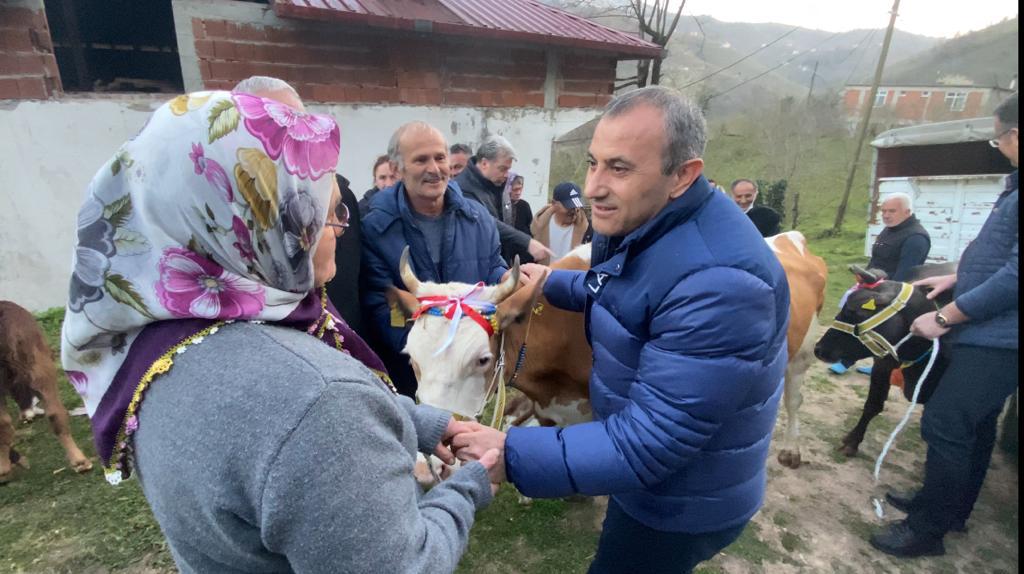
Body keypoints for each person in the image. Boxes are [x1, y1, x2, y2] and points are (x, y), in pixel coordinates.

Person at [61, 88, 502, 573]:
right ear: (258, 221)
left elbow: (267, 435)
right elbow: (405, 564)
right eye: (325, 209)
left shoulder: (158, 342)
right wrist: (469, 486)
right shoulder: (319, 402)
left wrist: (425, 422)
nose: (339, 226)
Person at [452, 86, 790, 573]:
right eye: (594, 163)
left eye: (620, 167)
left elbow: (652, 440)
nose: (592, 187)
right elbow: (621, 289)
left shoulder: (721, 283)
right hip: (646, 482)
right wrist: (549, 282)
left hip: (678, 503)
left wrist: (514, 453)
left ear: (683, 175)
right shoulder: (650, 224)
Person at [870, 93, 1019, 559]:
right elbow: (1002, 258)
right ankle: (951, 509)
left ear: (1015, 135)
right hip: (992, 329)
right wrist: (958, 276)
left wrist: (946, 315)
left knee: (947, 421)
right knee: (975, 426)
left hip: (1001, 337)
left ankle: (926, 530)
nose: (1000, 148)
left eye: (998, 140)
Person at [361, 122, 509, 398]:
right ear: (397, 169)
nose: (434, 169)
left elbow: (491, 268)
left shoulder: (477, 218)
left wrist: (504, 277)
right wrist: (439, 355)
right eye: (421, 160)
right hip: (409, 384)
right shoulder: (376, 228)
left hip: (471, 378)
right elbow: (383, 309)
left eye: (440, 157)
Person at [830, 192, 931, 375]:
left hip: (889, 296)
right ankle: (847, 358)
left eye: (892, 211)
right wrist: (864, 275)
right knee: (852, 323)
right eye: (883, 211)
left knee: (872, 329)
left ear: (907, 211)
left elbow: (905, 275)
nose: (886, 215)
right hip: (872, 286)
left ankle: (877, 363)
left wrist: (881, 294)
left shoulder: (916, 237)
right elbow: (876, 259)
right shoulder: (889, 230)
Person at [454, 135, 554, 263]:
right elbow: (486, 221)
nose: (506, 175)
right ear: (484, 163)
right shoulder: (463, 188)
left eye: (508, 169)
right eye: (503, 169)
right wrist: (527, 242)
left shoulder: (495, 184)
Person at [530, 181, 589, 262]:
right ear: (554, 203)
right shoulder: (540, 226)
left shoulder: (586, 229)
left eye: (576, 205)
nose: (574, 210)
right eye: (569, 206)